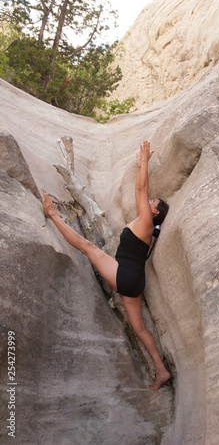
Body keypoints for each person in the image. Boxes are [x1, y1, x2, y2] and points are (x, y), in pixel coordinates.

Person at [42, 140, 171, 391]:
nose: (148, 202)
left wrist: (143, 163)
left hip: (125, 276)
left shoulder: (146, 222)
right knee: (139, 328)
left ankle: (53, 215)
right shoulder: (146, 225)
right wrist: (140, 165)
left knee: (88, 247)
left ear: (154, 213)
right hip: (134, 280)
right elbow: (143, 191)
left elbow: (141, 188)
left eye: (152, 203)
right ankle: (162, 371)